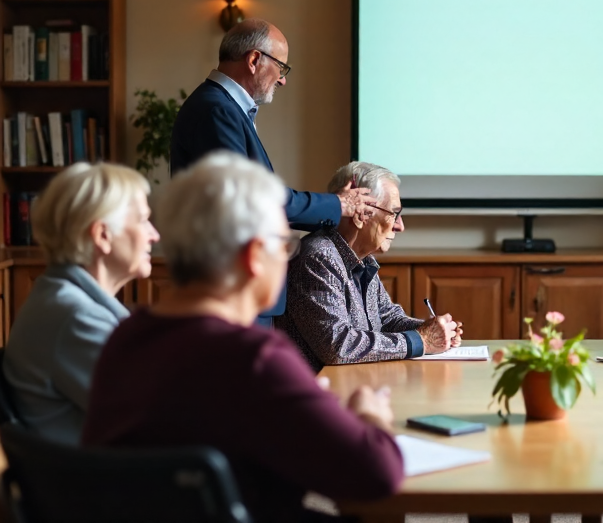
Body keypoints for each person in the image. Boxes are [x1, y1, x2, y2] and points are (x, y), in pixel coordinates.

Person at [83, 153, 403, 523]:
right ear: (254, 256)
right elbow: (379, 474)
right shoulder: (255, 358)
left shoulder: (125, 337)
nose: (287, 257)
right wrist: (370, 415)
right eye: (283, 244)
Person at [169, 18, 376, 325]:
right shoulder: (216, 110)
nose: (283, 80)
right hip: (232, 288)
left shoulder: (223, 107)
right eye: (282, 67)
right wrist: (339, 205)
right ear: (254, 60)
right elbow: (254, 201)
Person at [3, 163, 159, 445]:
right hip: (109, 483)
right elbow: (158, 418)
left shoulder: (62, 299)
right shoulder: (76, 318)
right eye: (143, 220)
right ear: (102, 235)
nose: (154, 234)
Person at [276, 161, 461, 369]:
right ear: (360, 213)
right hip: (321, 393)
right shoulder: (319, 256)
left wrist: (434, 330)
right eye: (394, 213)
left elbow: (387, 319)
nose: (400, 226)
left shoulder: (362, 258)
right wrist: (422, 340)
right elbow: (338, 346)